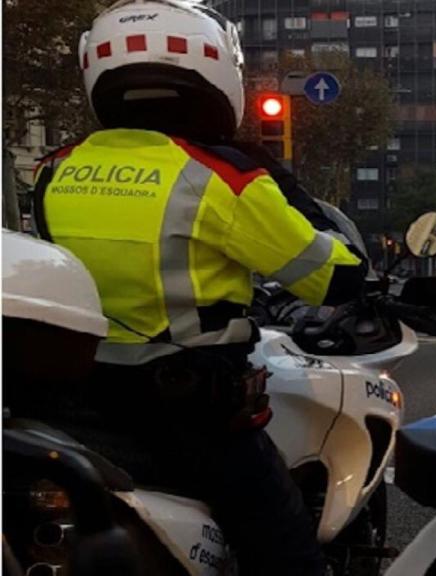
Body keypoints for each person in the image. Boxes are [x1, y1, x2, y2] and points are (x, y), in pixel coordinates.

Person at [30, 1, 367, 573]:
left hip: (68, 407)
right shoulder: (222, 176)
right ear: (216, 74)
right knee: (285, 547)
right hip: (188, 418)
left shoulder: (56, 169)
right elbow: (332, 276)